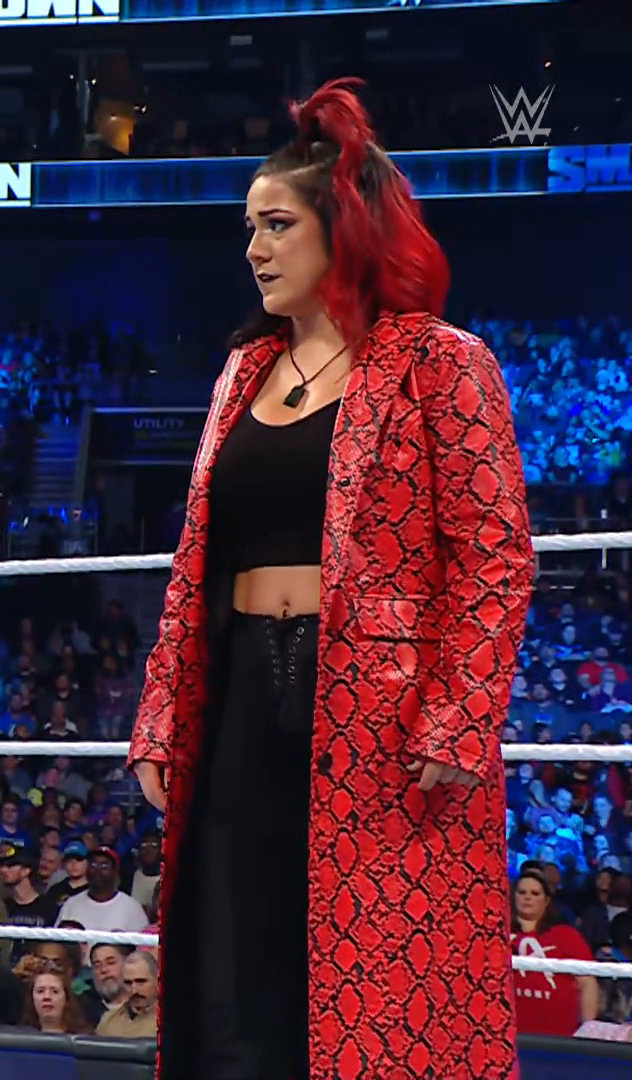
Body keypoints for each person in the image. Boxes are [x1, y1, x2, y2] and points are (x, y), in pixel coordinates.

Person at [127, 78, 533, 1080]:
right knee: (235, 947)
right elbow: (195, 561)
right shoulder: (242, 372)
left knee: (375, 973)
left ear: (342, 233)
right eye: (249, 227)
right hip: (238, 688)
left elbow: (493, 554)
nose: (254, 249)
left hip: (382, 709)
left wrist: (457, 716)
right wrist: (161, 712)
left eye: (277, 225)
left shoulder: (439, 362)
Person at [509, 869, 597, 1037]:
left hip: (558, 1036)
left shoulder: (567, 935)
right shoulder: (496, 934)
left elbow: (587, 983)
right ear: (513, 897)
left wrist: (588, 1030)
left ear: (546, 901)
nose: (528, 897)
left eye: (535, 893)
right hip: (506, 1034)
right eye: (522, 892)